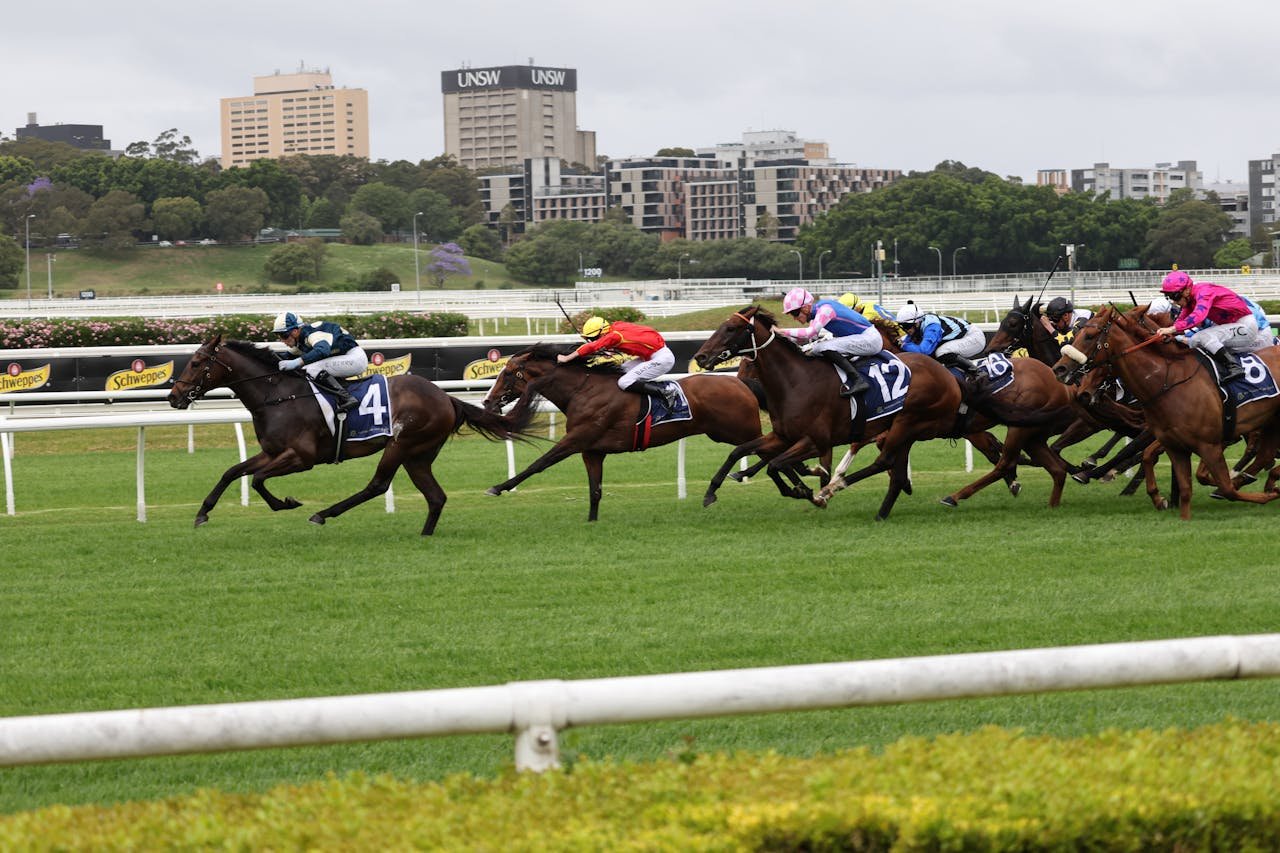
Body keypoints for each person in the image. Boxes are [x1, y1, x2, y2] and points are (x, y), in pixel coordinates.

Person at [1152, 270, 1270, 384]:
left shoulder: (1204, 292)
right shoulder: (1190, 301)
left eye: (1175, 296)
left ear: (1187, 290)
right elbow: (1180, 322)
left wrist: (1171, 330)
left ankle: (1235, 367)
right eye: (1169, 297)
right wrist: (1169, 333)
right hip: (1233, 326)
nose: (1174, 301)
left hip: (1245, 325)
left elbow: (1198, 316)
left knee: (1203, 337)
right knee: (1194, 341)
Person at [777, 287, 884, 397]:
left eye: (794, 313)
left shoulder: (825, 309)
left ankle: (858, 380)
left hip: (870, 339)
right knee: (816, 347)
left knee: (821, 347)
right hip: (863, 337)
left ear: (806, 308)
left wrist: (782, 331)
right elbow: (810, 337)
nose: (794, 318)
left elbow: (810, 332)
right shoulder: (818, 311)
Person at [557, 316, 679, 406]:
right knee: (617, 372)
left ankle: (666, 393)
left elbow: (592, 346)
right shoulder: (615, 326)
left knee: (624, 382)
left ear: (603, 331)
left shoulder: (614, 336)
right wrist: (610, 348)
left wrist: (567, 358)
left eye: (593, 337)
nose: (592, 340)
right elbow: (629, 340)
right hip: (650, 356)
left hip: (662, 359)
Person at [272, 311, 368, 413]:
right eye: (279, 336)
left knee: (310, 369)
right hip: (345, 357)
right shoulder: (301, 340)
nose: (282, 340)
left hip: (354, 358)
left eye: (283, 336)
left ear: (295, 331)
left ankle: (346, 398)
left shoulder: (312, 335)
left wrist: (297, 362)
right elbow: (285, 357)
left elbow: (322, 350)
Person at [894, 301, 987, 376]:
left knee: (941, 352)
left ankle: (976, 371)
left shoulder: (932, 327)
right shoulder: (918, 325)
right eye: (902, 326)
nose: (905, 329)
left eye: (907, 326)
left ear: (917, 322)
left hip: (974, 337)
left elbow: (923, 351)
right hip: (962, 336)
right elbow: (904, 340)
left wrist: (904, 345)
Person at [838, 292, 904, 341]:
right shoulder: (868, 305)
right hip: (893, 330)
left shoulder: (867, 316)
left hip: (900, 334)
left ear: (856, 307)